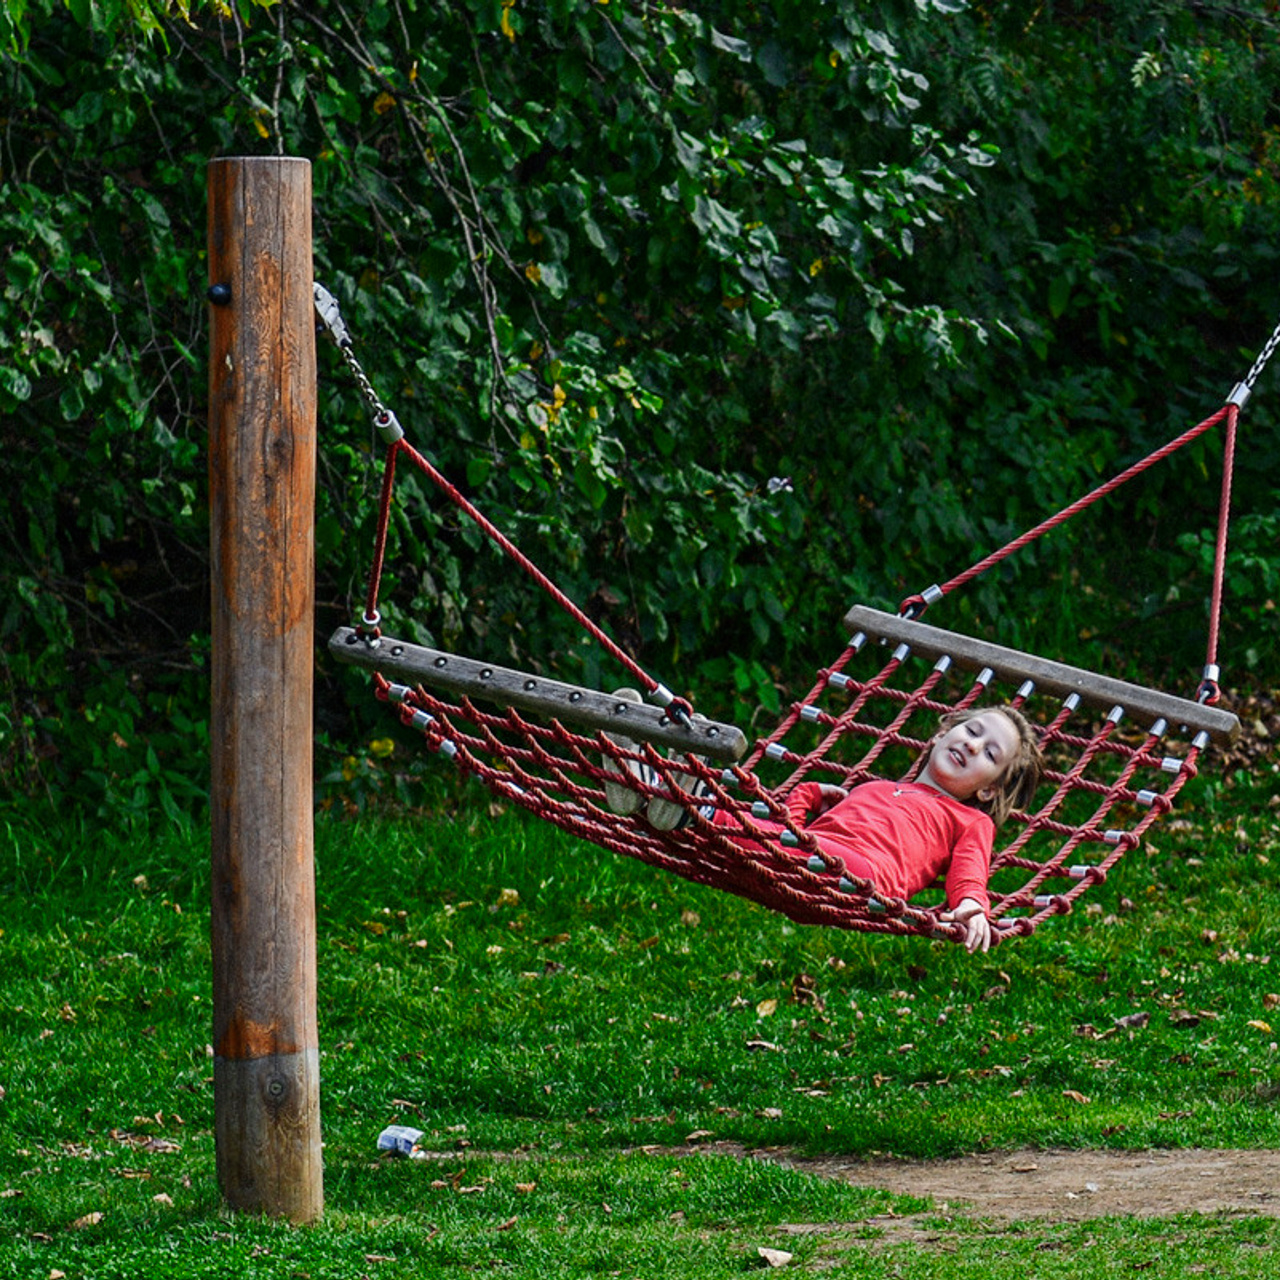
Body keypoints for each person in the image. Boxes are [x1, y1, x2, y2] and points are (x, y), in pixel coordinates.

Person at [603, 702, 1042, 954]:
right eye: (971, 730)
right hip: (802, 857)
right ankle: (648, 792)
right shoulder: (875, 786)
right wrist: (810, 793)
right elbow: (785, 831)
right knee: (758, 836)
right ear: (940, 734)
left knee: (771, 841)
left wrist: (970, 903)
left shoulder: (970, 819)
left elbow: (970, 867)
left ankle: (683, 802)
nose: (972, 744)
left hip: (862, 880)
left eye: (989, 753)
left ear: (989, 790)